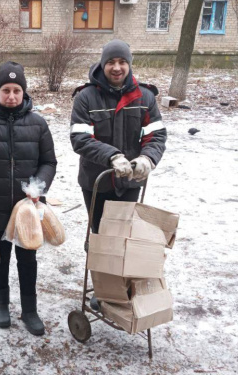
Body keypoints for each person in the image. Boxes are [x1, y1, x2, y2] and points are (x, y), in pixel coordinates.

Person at [70, 39, 167, 308]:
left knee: (125, 237)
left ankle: (121, 288)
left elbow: (156, 134)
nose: (116, 67)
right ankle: (103, 290)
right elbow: (80, 139)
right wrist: (112, 156)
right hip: (96, 182)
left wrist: (148, 157)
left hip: (131, 181)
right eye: (111, 62)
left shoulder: (144, 97)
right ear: (103, 64)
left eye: (122, 62)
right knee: (101, 237)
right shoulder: (86, 97)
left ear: (129, 64)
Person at [0, 61, 57, 336]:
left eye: (17, 90)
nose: (12, 96)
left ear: (24, 93)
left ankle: (30, 310)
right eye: (6, 90)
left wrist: (38, 186)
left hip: (28, 209)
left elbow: (49, 161)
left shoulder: (38, 124)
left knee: (28, 260)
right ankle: (1, 303)